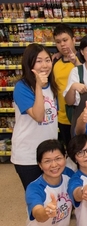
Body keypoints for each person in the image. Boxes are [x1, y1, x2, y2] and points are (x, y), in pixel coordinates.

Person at [12, 44, 59, 189]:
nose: (44, 65)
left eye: (47, 60)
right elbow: (39, 116)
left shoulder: (51, 84)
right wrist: (38, 87)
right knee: (36, 199)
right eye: (39, 61)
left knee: (51, 195)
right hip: (28, 155)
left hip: (48, 153)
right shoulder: (22, 87)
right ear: (29, 63)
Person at [52, 24, 81, 145]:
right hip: (62, 118)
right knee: (70, 152)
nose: (62, 44)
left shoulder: (85, 58)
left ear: (73, 40)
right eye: (58, 42)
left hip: (81, 116)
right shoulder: (55, 64)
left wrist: (76, 62)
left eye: (65, 40)